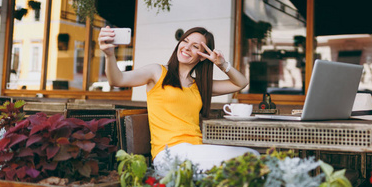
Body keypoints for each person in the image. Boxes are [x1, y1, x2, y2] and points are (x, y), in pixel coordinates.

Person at [98, 26, 259, 172]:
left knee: (249, 161)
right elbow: (117, 80)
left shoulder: (200, 85)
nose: (187, 47)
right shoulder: (157, 72)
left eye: (195, 46)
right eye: (185, 41)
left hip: (196, 152)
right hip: (169, 155)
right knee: (250, 158)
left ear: (203, 56)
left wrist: (222, 64)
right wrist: (109, 55)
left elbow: (241, 83)